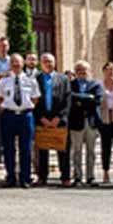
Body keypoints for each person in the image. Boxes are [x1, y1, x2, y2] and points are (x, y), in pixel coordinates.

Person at [0, 54, 39, 188]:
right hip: (9, 116)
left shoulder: (31, 81)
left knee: (25, 148)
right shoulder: (3, 81)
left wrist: (24, 107)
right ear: (10, 64)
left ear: (23, 64)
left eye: (18, 62)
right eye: (13, 62)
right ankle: (11, 177)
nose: (16, 65)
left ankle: (25, 178)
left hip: (25, 116)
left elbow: (35, 99)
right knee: (8, 148)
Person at [33, 53, 71, 186]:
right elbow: (33, 100)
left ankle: (65, 177)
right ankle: (42, 177)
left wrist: (59, 117)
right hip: (42, 119)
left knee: (63, 150)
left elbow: (67, 100)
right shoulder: (35, 79)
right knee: (42, 150)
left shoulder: (63, 79)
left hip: (58, 120)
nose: (48, 64)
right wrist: (41, 118)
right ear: (41, 63)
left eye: (50, 61)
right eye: (45, 61)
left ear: (54, 63)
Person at [67, 60, 104, 187]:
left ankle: (90, 177)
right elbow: (70, 98)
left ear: (89, 71)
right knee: (76, 151)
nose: (82, 72)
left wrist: (80, 100)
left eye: (84, 70)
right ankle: (77, 177)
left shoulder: (96, 85)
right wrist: (88, 98)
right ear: (75, 72)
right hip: (76, 122)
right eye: (78, 70)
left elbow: (98, 101)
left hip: (91, 123)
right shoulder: (70, 84)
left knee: (91, 151)